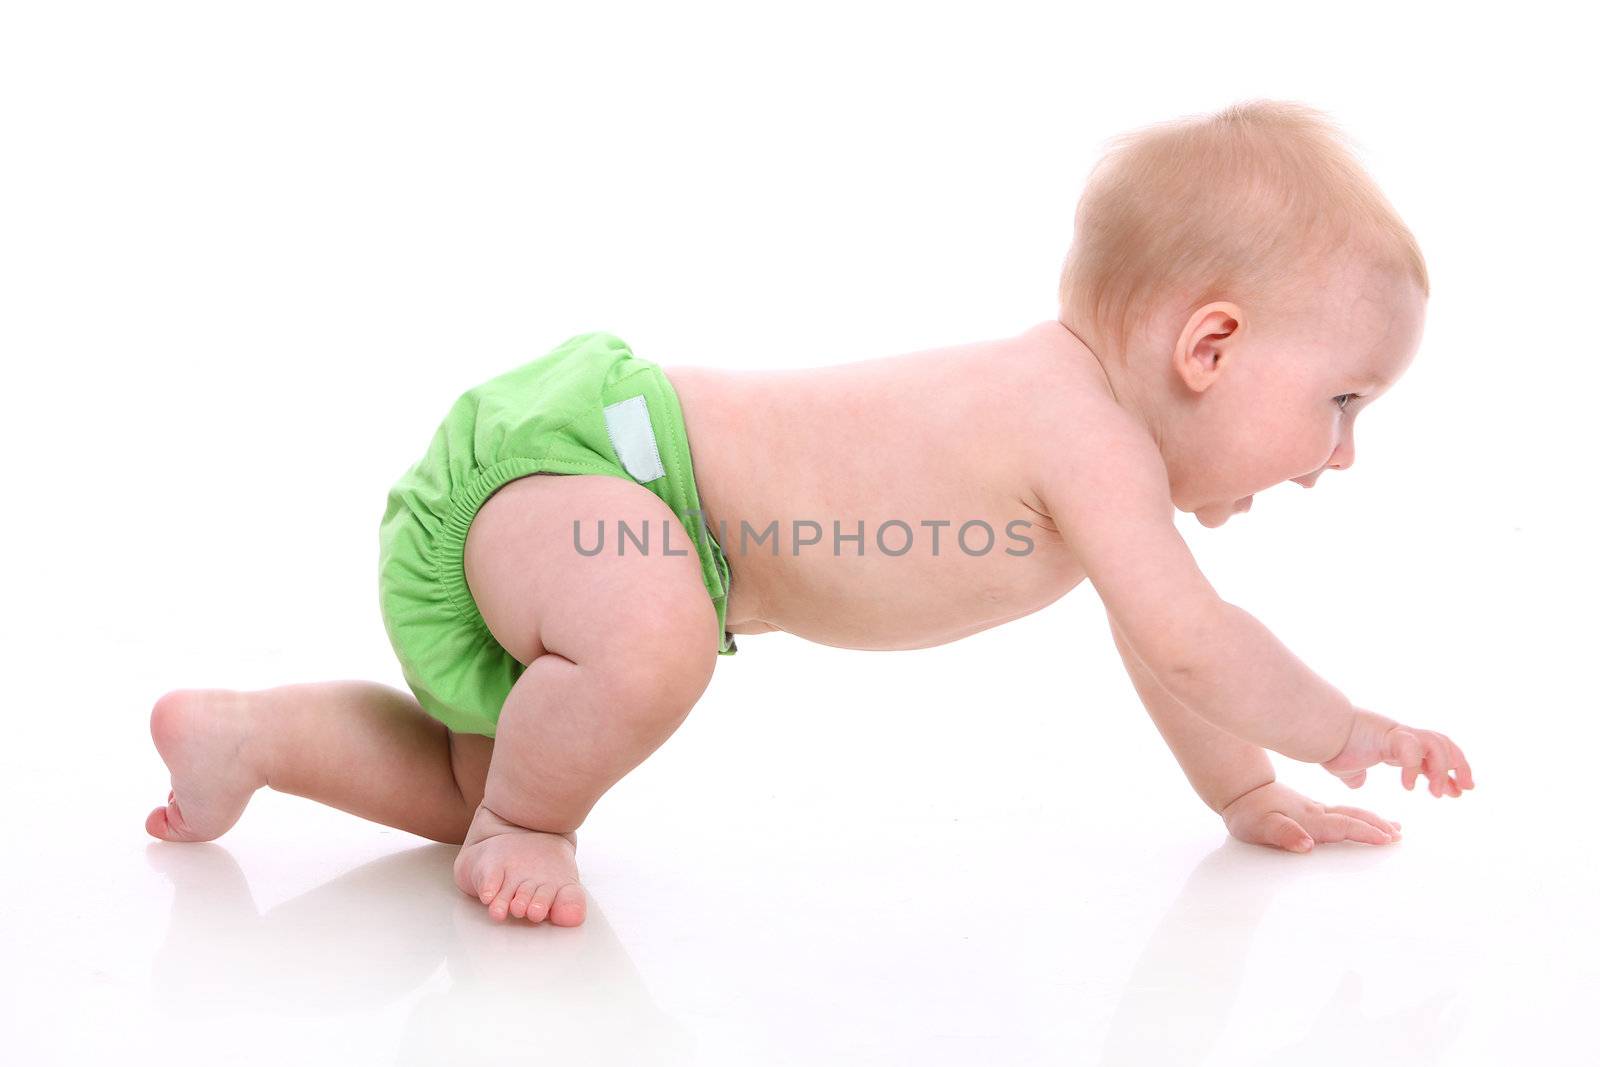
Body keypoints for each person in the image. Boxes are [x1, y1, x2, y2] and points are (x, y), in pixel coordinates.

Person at [145, 99, 1473, 927]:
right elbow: (1197, 638)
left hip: (601, 546)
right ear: (1211, 346)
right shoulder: (1072, 422)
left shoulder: (1102, 464)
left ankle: (249, 737)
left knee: (471, 768)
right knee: (644, 655)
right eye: (1344, 400)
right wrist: (1345, 731)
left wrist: (1242, 785)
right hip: (597, 476)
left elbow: (1165, 639)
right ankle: (529, 824)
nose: (1342, 452)